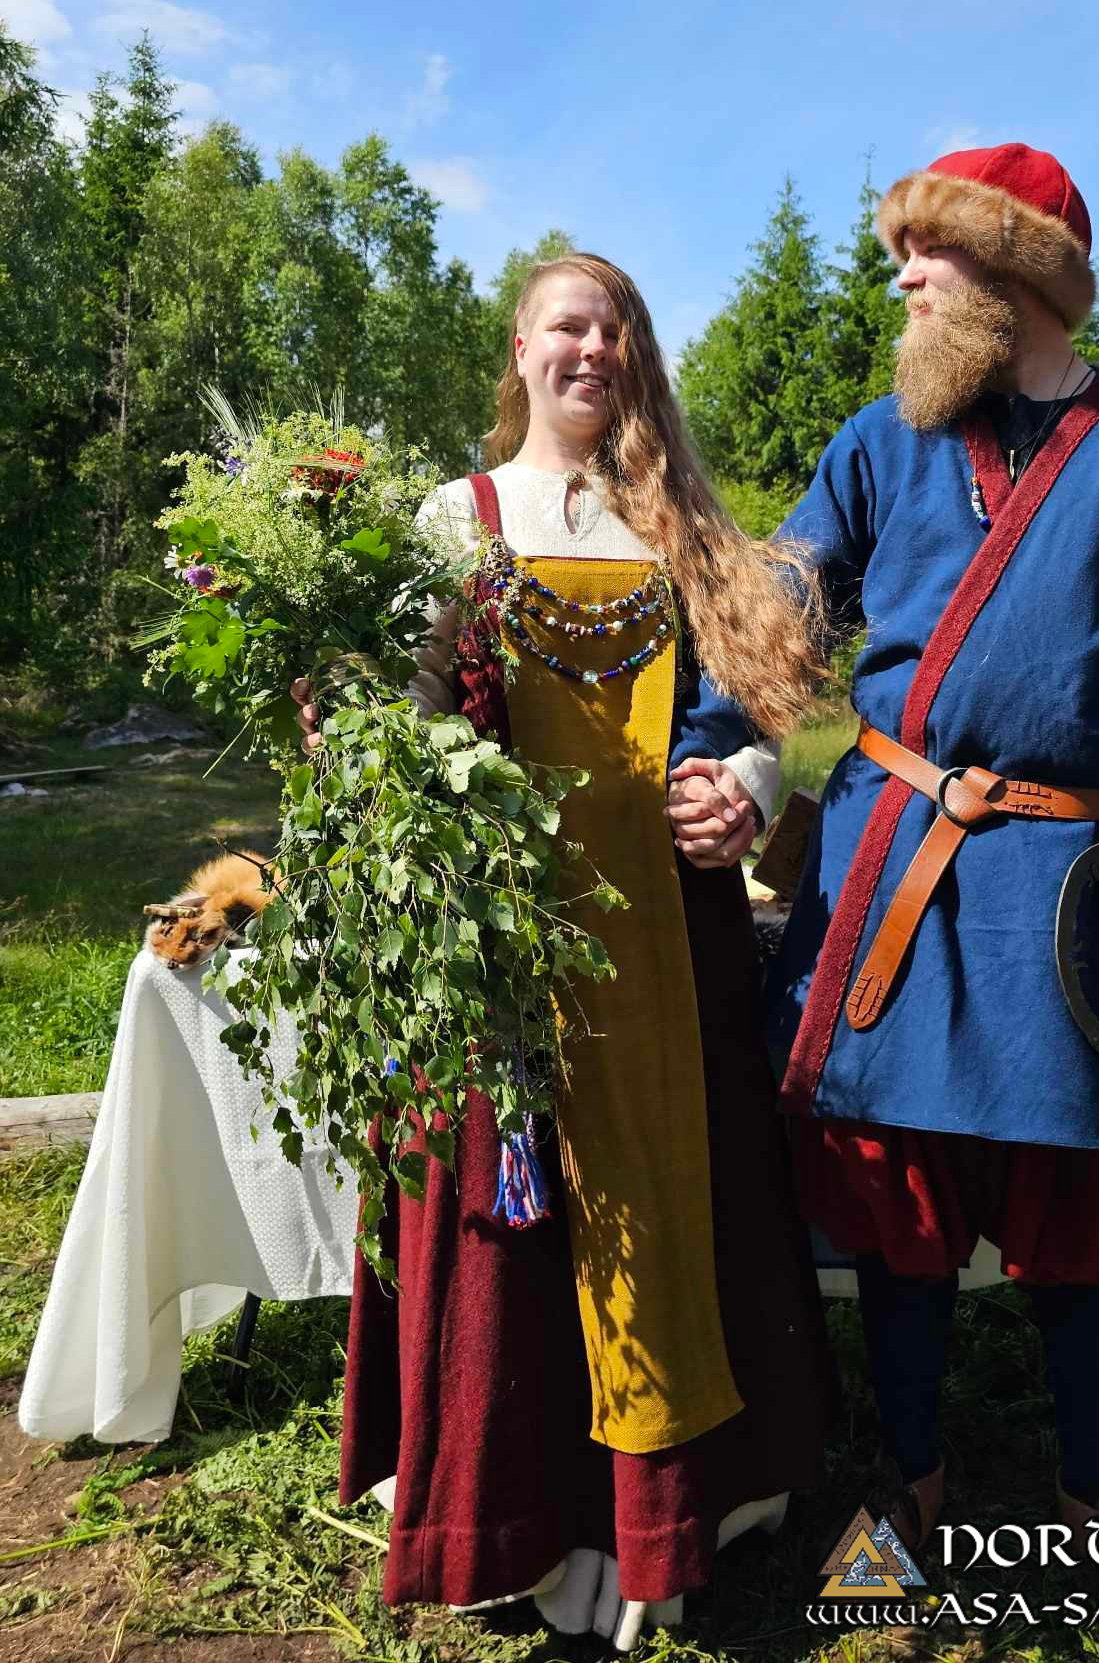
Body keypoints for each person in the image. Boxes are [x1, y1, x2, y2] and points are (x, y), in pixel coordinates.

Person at [751, 143, 1099, 1643]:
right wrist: (725, 749)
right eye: (900, 252)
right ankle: (908, 1488)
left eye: (930, 251)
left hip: (1085, 881)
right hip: (898, 867)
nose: (901, 278)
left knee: (1081, 1209)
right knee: (899, 1198)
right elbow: (777, 616)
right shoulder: (877, 442)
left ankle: (1097, 1501)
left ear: (1019, 268)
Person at [304, 252, 835, 1648]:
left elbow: (759, 717)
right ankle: (529, 1517)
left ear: (636, 357)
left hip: (673, 940)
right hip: (499, 946)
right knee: (514, 1228)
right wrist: (359, 735)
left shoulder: (686, 525)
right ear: (522, 350)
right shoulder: (449, 520)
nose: (592, 350)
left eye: (616, 330)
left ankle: (679, 1511)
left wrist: (750, 791)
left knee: (675, 1203)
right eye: (567, 326)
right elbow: (399, 715)